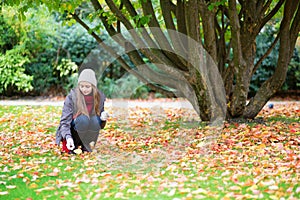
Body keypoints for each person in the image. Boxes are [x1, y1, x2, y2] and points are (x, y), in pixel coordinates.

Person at [55, 68, 109, 154]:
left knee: (95, 120)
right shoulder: (72, 97)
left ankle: (86, 145)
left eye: (87, 86)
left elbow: (100, 125)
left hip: (89, 127)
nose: (84, 89)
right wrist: (68, 138)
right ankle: (74, 144)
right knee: (83, 119)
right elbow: (64, 121)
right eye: (82, 86)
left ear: (93, 86)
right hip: (74, 129)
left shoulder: (99, 97)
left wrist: (103, 119)